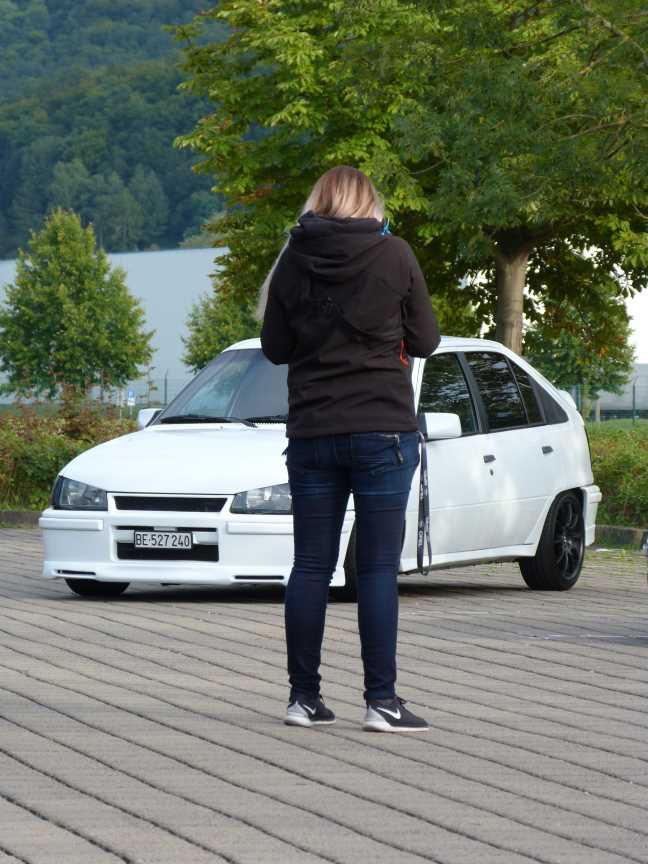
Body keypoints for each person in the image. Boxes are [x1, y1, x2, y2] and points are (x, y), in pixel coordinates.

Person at [259, 165, 440, 732]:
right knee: (378, 568)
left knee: (310, 565)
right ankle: (381, 702)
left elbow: (274, 348)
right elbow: (428, 340)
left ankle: (303, 698)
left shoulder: (293, 259)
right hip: (382, 430)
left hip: (313, 431)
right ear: (370, 204)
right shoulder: (396, 254)